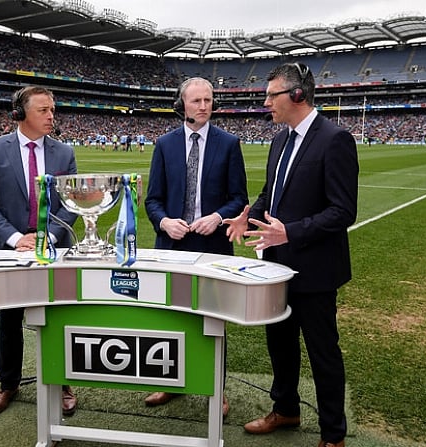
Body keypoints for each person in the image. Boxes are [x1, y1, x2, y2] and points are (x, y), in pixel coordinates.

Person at [225, 62, 358, 447]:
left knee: (322, 352)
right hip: (276, 266)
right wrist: (248, 214)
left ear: (297, 96)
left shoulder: (335, 139)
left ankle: (333, 435)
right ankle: (285, 409)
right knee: (279, 344)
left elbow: (343, 210)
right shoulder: (280, 139)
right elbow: (273, 193)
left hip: (316, 271)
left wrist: (292, 231)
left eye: (272, 95)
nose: (266, 102)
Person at [144, 77, 249, 417]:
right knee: (172, 319)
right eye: (197, 101)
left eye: (208, 100)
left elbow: (239, 199)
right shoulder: (164, 144)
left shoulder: (229, 144)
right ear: (182, 105)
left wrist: (217, 217)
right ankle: (169, 382)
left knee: (212, 320)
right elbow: (153, 200)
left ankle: (215, 390)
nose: (204, 106)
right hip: (172, 246)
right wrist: (164, 222)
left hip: (213, 247)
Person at [0, 85, 79, 419]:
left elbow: (71, 203)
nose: (51, 116)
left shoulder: (64, 152)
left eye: (52, 109)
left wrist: (48, 234)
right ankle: (8, 383)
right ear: (20, 114)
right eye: (43, 110)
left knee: (60, 320)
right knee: (9, 321)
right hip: (9, 250)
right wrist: (17, 237)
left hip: (55, 248)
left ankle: (63, 383)